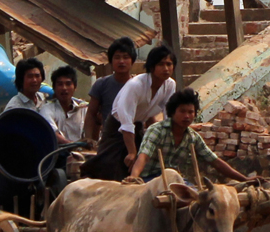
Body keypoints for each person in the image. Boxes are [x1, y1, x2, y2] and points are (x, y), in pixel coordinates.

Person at [80, 44, 177, 181]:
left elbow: (168, 115)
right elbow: (126, 122)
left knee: (141, 169)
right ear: (151, 67)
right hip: (116, 128)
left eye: (169, 64)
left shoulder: (170, 85)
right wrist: (131, 151)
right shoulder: (136, 84)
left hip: (137, 127)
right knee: (111, 170)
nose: (166, 69)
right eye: (161, 64)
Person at [131, 88, 250, 184]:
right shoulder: (157, 130)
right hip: (150, 180)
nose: (187, 116)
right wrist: (134, 177)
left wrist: (245, 180)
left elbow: (215, 162)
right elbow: (144, 156)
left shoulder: (193, 137)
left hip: (174, 181)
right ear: (172, 113)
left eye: (190, 112)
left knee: (198, 202)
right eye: (182, 111)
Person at [84, 37, 136, 143]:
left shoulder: (139, 85)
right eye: (117, 57)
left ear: (132, 61)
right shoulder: (101, 84)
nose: (121, 61)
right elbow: (91, 114)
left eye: (125, 57)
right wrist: (88, 139)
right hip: (109, 140)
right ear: (111, 61)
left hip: (134, 139)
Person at [40, 65, 88, 144]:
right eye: (60, 84)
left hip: (81, 153)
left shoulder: (84, 109)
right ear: (54, 88)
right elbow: (52, 133)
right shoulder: (46, 109)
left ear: (75, 87)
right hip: (57, 154)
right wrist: (72, 146)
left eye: (68, 84)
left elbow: (90, 136)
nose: (64, 88)